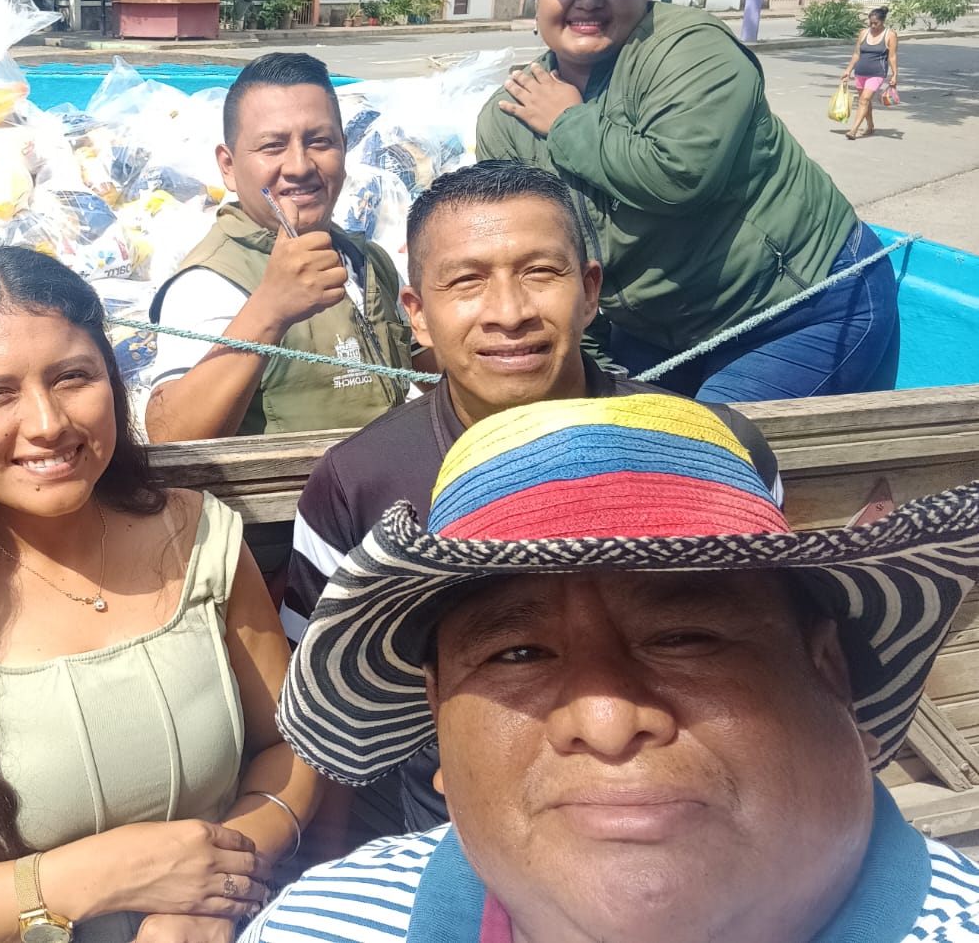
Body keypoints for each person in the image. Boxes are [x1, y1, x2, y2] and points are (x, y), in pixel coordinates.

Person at [248, 393, 979, 943]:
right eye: (518, 653)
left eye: (685, 638)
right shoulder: (318, 926)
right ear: (438, 719)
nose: (604, 723)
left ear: (830, 672)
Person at [0, 247, 321, 943]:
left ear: (111, 378)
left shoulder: (198, 536)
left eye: (72, 377)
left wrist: (208, 893)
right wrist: (91, 878)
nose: (48, 422)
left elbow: (289, 746)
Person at [283, 160, 780, 837]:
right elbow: (330, 701)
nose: (510, 313)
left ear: (589, 291)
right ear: (417, 314)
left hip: (695, 812)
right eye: (466, 281)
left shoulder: (712, 455)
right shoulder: (359, 483)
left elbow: (769, 660)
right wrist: (334, 862)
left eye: (540, 272)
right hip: (456, 831)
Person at [476, 0, 900, 403]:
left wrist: (568, 122)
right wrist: (586, 364)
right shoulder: (506, 117)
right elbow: (535, 255)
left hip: (799, 303)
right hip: (662, 330)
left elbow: (679, 178)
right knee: (608, 433)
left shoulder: (691, 48)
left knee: (705, 445)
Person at [144, 53, 413, 443]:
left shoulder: (368, 261)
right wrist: (270, 309)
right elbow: (169, 435)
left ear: (344, 148)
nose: (299, 166)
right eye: (272, 146)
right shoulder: (210, 283)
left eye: (319, 142)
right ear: (228, 166)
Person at [841, 6, 899, 141]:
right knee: (864, 101)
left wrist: (895, 74)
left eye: (876, 23)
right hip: (860, 72)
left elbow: (892, 56)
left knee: (864, 100)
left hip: (877, 73)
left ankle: (853, 130)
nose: (873, 26)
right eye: (871, 23)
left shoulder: (890, 35)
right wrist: (848, 70)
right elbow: (856, 54)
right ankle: (870, 125)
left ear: (882, 22)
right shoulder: (863, 33)